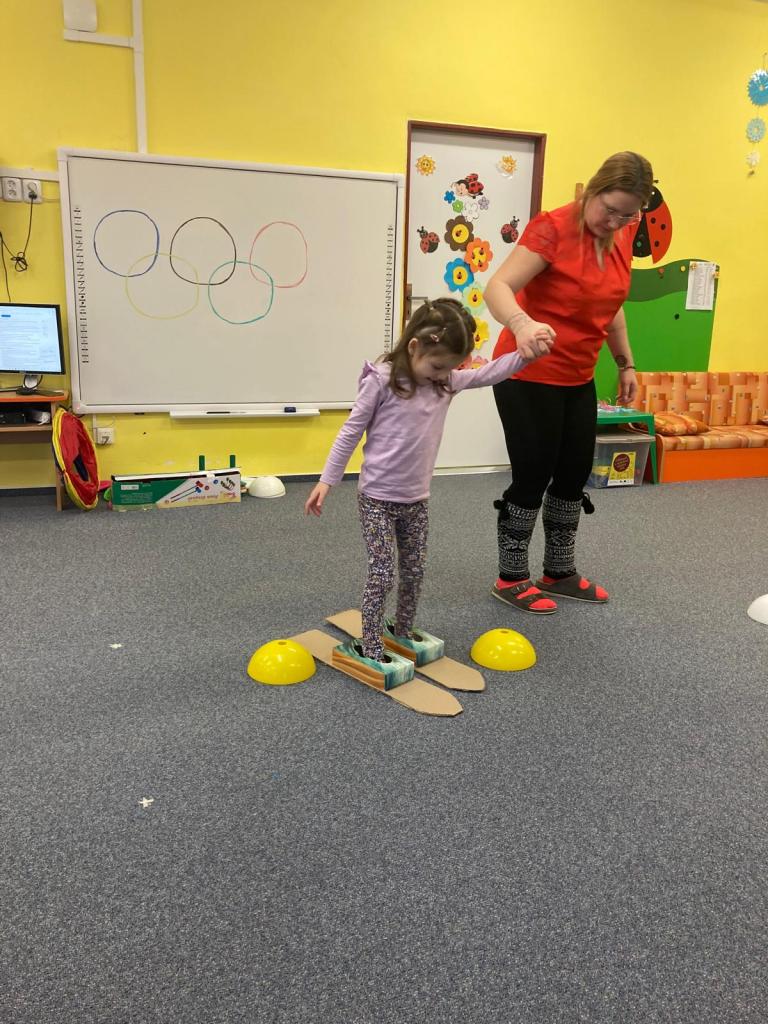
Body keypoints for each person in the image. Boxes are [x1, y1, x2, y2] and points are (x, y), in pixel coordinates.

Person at [305, 297, 552, 679]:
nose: (443, 375)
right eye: (437, 366)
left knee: (415, 570)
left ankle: (402, 631)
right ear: (414, 346)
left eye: (450, 368)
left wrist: (526, 354)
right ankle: (371, 643)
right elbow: (351, 431)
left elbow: (490, 373)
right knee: (382, 573)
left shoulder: (444, 382)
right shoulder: (382, 381)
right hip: (376, 499)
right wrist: (327, 479)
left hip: (416, 500)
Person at [483, 150, 654, 614]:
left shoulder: (623, 231)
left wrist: (625, 364)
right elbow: (497, 287)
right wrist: (521, 323)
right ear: (594, 189)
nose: (615, 222)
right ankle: (511, 577)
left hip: (578, 374)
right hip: (528, 371)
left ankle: (558, 571)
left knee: (574, 473)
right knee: (533, 473)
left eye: (627, 215)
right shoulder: (552, 228)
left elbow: (611, 304)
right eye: (610, 209)